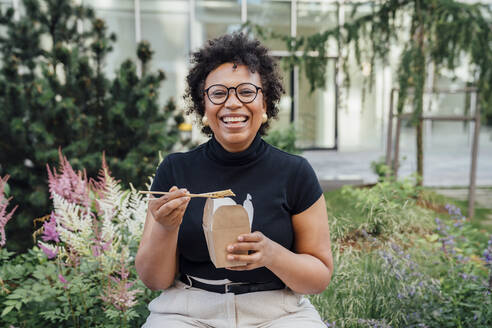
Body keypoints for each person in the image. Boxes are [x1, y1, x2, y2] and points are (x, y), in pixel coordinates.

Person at [136, 32, 333, 328]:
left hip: (278, 313)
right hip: (188, 311)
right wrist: (165, 227)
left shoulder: (295, 172)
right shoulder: (176, 170)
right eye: (218, 93)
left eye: (246, 92)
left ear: (264, 102)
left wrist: (272, 255)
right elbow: (154, 280)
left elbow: (318, 277)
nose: (232, 103)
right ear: (204, 106)